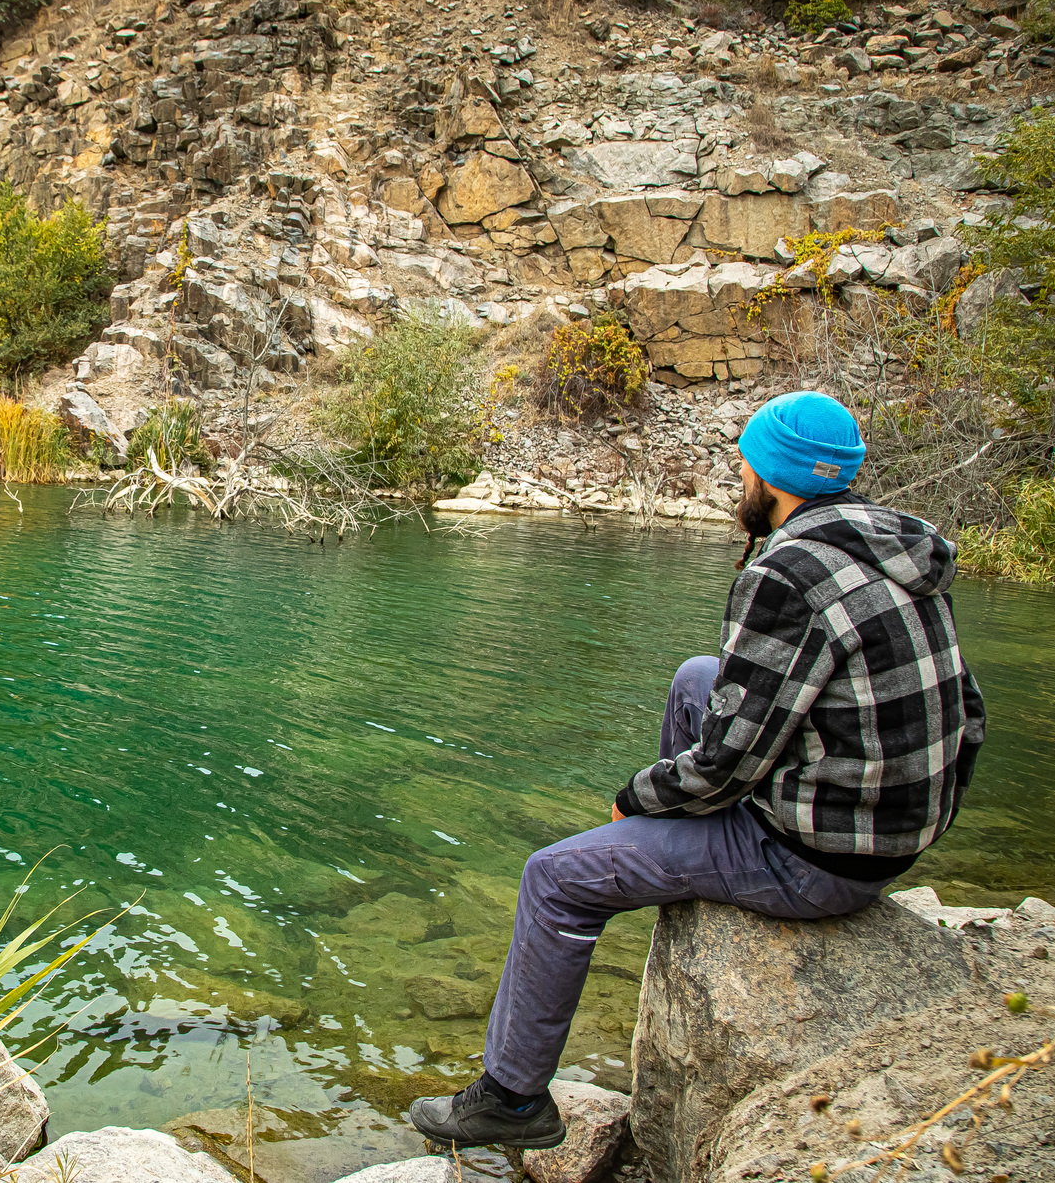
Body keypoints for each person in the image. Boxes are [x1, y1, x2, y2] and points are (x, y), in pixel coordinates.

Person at [408, 390, 987, 1151]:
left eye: (747, 463)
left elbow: (729, 759)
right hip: (896, 831)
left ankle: (513, 1099)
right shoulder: (896, 545)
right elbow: (969, 715)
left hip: (818, 858)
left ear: (774, 476)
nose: (740, 476)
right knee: (695, 675)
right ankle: (666, 860)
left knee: (554, 877)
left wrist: (635, 799)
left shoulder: (787, 573)